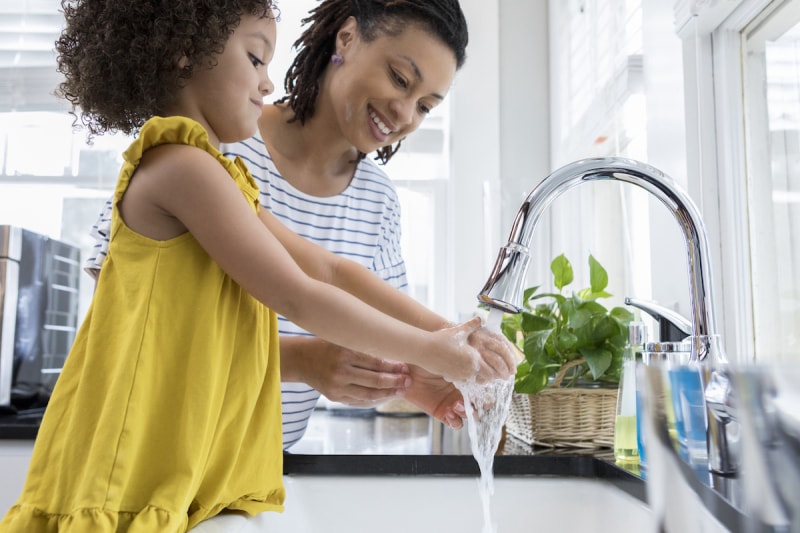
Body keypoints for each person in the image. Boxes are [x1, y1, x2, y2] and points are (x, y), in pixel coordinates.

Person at [1, 0, 516, 531]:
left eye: (426, 105)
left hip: (200, 467)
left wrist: (451, 341)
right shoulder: (186, 168)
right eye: (254, 58)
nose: (267, 83)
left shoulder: (220, 174)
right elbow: (297, 295)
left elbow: (333, 271)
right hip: (132, 466)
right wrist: (433, 350)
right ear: (184, 54)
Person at [86, 0, 475, 449]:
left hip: (251, 470)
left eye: (425, 106)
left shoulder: (377, 201)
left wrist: (434, 359)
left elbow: (335, 275)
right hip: (157, 450)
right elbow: (124, 311)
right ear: (346, 38)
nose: (406, 113)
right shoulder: (214, 143)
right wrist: (302, 361)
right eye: (400, 79)